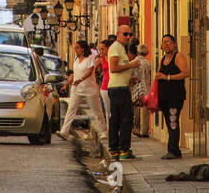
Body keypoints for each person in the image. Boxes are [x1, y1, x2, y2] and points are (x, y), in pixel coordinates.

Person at [59, 40, 104, 139]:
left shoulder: (89, 59)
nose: (75, 50)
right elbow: (73, 74)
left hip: (89, 88)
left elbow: (89, 72)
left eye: (77, 48)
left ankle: (103, 131)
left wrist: (80, 80)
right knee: (71, 110)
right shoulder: (76, 59)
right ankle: (64, 131)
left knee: (96, 111)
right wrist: (67, 84)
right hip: (76, 89)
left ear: (82, 49)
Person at [155, 34, 189, 159]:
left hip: (175, 96)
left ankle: (173, 149)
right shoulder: (163, 58)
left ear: (174, 43)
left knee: (173, 120)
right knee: (169, 122)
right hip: (164, 97)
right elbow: (159, 73)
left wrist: (167, 77)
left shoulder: (178, 56)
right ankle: (175, 150)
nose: (166, 44)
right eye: (164, 42)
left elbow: (186, 73)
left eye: (168, 42)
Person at [106, 26, 138, 160]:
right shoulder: (115, 48)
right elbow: (113, 68)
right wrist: (130, 65)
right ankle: (121, 149)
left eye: (130, 34)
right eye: (125, 34)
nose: (128, 37)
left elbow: (120, 69)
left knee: (120, 119)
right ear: (118, 34)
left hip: (121, 87)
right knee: (124, 120)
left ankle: (117, 150)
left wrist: (130, 78)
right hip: (118, 89)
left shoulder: (121, 49)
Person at [129, 42, 153, 137]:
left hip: (135, 89)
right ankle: (144, 131)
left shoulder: (132, 63)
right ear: (146, 52)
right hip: (146, 89)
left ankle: (137, 128)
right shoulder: (148, 63)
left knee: (136, 110)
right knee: (145, 111)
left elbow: (129, 77)